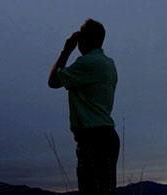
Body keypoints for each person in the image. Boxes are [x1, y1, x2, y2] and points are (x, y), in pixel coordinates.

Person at [47, 19, 119, 195]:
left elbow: (53, 81)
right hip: (106, 135)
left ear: (85, 40)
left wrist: (66, 50)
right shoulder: (109, 63)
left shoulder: (87, 63)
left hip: (93, 138)